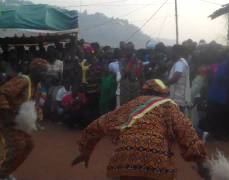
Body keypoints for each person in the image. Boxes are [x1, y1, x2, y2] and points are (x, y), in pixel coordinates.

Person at [72, 79, 209, 180]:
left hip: (125, 158)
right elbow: (187, 132)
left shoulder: (130, 105)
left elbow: (98, 125)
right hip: (157, 159)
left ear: (144, 91)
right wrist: (200, 164)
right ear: (163, 94)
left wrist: (85, 151)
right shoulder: (169, 106)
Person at [0, 58, 49, 179]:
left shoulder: (36, 85)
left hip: (19, 122)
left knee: (28, 146)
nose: (45, 74)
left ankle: (5, 171)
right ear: (33, 70)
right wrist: (7, 114)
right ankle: (1, 174)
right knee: (18, 146)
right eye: (42, 71)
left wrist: (36, 118)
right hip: (9, 120)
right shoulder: (23, 80)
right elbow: (2, 94)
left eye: (46, 71)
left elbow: (33, 104)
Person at [168, 45, 191, 113]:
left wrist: (165, 84)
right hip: (180, 95)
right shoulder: (184, 62)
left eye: (172, 52)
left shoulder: (179, 64)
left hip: (177, 97)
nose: (171, 54)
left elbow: (175, 78)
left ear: (176, 53)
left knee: (177, 116)